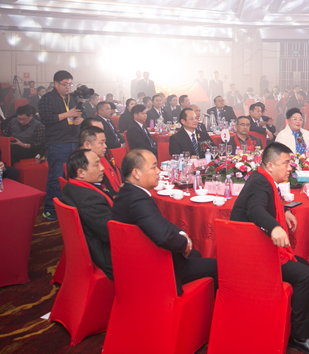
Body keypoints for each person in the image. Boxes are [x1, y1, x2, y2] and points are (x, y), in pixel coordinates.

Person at [231, 142, 309, 354]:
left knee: (303, 265)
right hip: (250, 256)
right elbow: (255, 209)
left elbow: (267, 203)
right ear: (270, 165)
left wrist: (284, 211)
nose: (289, 168)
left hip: (256, 248)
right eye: (285, 163)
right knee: (303, 275)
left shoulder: (262, 179)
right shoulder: (260, 184)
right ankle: (301, 336)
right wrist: (275, 227)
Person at [113, 149, 217, 294]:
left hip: (139, 260)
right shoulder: (138, 200)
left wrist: (181, 235)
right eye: (153, 167)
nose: (158, 171)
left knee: (195, 255)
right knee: (215, 266)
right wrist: (184, 244)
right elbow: (164, 236)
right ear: (136, 173)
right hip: (155, 267)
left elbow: (160, 222)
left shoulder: (127, 192)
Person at [60, 148, 114, 279]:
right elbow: (111, 233)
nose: (102, 168)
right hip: (105, 255)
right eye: (96, 165)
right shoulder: (89, 198)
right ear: (81, 173)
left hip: (90, 245)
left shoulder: (70, 187)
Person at [38, 70, 83, 221]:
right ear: (55, 83)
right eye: (65, 84)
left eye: (70, 84)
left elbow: (80, 114)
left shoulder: (73, 98)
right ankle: (51, 209)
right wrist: (68, 114)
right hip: (58, 142)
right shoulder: (47, 98)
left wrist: (79, 119)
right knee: (56, 177)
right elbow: (46, 119)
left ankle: (69, 206)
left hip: (74, 140)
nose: (68, 87)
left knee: (73, 176)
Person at [79, 126, 123, 198]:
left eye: (105, 143)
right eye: (101, 143)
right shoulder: (84, 165)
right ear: (87, 145)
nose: (105, 146)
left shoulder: (102, 157)